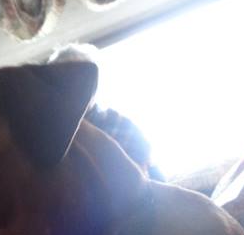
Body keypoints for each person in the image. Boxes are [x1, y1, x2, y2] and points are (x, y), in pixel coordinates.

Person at [48, 44, 164, 181]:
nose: (76, 84)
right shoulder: (50, 134)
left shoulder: (120, 125)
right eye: (66, 78)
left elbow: (148, 177)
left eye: (83, 76)